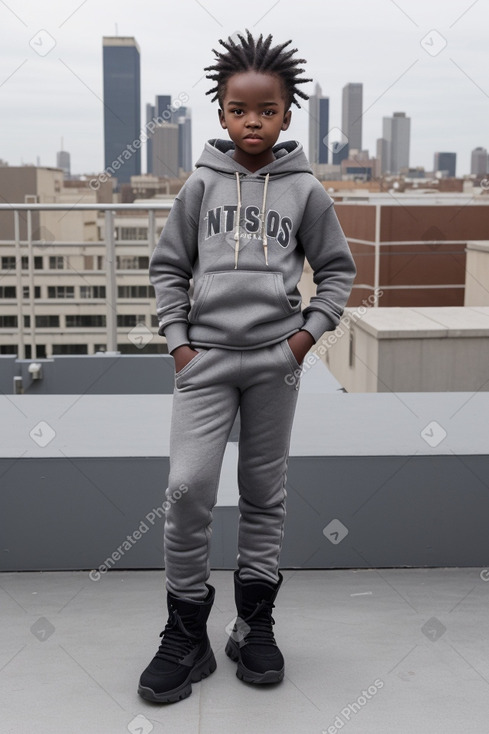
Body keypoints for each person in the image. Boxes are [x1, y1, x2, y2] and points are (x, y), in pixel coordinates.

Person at [138, 30, 356, 704]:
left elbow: (338, 274)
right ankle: (185, 633)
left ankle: (252, 626)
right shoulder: (199, 184)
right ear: (222, 112)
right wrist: (179, 342)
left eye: (266, 111)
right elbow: (169, 268)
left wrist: (301, 340)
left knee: (265, 494)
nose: (252, 122)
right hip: (202, 362)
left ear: (287, 114)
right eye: (239, 110)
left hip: (274, 363)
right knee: (187, 489)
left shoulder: (305, 191)